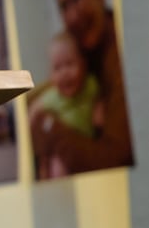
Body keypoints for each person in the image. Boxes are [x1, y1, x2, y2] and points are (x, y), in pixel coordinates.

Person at [29, 0, 134, 177]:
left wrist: (49, 127)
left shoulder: (123, 52)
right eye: (64, 6)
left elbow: (115, 158)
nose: (72, 16)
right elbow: (52, 87)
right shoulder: (83, 44)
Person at [29, 34, 102, 179]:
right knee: (58, 168)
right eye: (57, 68)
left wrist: (98, 110)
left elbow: (99, 97)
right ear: (51, 75)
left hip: (87, 147)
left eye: (69, 64)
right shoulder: (54, 96)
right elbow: (33, 110)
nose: (64, 73)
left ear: (83, 64)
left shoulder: (90, 85)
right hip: (62, 153)